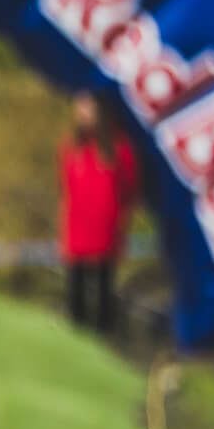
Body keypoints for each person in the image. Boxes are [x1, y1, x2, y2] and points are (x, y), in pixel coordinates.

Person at [58, 91, 139, 334]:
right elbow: (64, 186)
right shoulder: (71, 147)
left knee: (105, 292)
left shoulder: (118, 147)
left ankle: (106, 342)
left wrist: (118, 218)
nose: (82, 112)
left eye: (88, 106)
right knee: (76, 293)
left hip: (106, 231)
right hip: (77, 231)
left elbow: (129, 187)